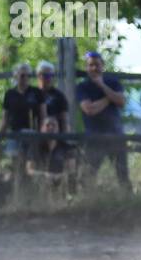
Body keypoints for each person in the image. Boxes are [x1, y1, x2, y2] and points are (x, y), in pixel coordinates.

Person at [75, 50, 130, 189]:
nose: (94, 68)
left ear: (102, 66)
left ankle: (127, 201)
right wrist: (109, 99)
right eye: (91, 65)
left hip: (115, 135)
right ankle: (89, 203)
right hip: (94, 137)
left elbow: (122, 102)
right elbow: (89, 110)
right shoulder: (82, 87)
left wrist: (102, 86)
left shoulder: (113, 82)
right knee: (88, 176)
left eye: (97, 65)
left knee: (122, 175)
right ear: (86, 67)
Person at [0, 62, 45, 163]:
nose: (25, 78)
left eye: (28, 75)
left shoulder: (36, 92)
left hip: (32, 133)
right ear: (16, 75)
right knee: (15, 163)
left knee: (32, 163)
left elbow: (43, 116)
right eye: (22, 75)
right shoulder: (10, 94)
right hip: (14, 133)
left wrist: (42, 135)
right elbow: (4, 119)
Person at [36, 60, 71, 132]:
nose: (49, 79)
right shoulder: (33, 93)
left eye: (51, 75)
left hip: (53, 133)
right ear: (39, 75)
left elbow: (64, 119)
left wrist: (66, 138)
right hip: (34, 133)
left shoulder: (59, 96)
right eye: (46, 76)